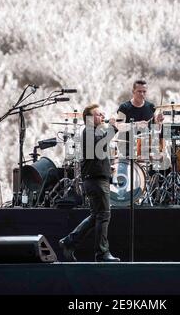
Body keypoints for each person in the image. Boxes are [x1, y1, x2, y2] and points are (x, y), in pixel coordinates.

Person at [59, 104, 120, 262]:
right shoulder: (89, 131)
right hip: (96, 181)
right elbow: (101, 144)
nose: (102, 116)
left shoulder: (93, 132)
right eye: (99, 114)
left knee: (96, 216)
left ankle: (69, 242)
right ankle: (102, 253)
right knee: (104, 215)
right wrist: (112, 128)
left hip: (96, 179)